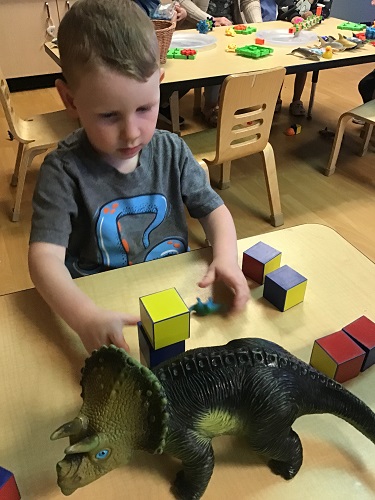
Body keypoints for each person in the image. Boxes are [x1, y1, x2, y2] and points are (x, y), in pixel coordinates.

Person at [28, 0, 250, 355]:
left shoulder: (172, 151)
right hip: (102, 307)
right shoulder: (63, 172)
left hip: (173, 295)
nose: (132, 133)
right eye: (109, 115)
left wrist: (225, 256)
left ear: (159, 84)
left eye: (145, 109)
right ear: (70, 100)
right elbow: (43, 260)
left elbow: (214, 211)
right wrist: (84, 316)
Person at [180, 0, 263, 125]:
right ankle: (211, 105)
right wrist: (210, 20)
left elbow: (249, 1)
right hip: (200, 28)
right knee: (215, 59)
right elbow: (181, 1)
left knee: (252, 55)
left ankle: (234, 100)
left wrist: (258, 25)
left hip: (232, 27)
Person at [271, 0, 332, 116]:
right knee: (281, 64)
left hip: (307, 30)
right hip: (285, 25)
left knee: (303, 63)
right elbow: (283, 3)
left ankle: (296, 100)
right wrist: (293, 16)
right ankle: (276, 99)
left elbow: (325, 9)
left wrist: (313, 13)